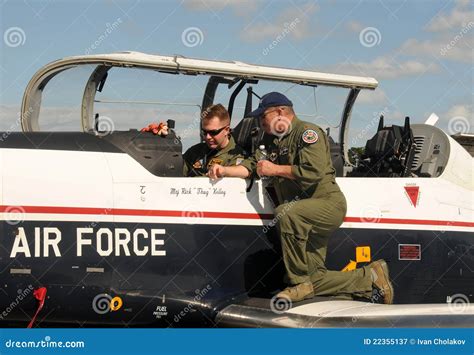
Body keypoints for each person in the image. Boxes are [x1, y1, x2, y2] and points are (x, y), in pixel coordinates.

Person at [244, 92, 394, 304]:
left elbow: (312, 172)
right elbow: (255, 163)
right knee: (315, 279)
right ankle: (369, 278)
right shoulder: (273, 141)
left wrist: (275, 169)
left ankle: (298, 283)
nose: (261, 122)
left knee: (286, 214)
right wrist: (224, 170)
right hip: (305, 215)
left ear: (280, 112)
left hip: (326, 204)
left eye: (263, 117)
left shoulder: (308, 133)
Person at [183, 104, 252, 178]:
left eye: (213, 132)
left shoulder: (237, 156)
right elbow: (175, 172)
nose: (208, 137)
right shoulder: (195, 152)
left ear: (226, 130)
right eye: (204, 132)